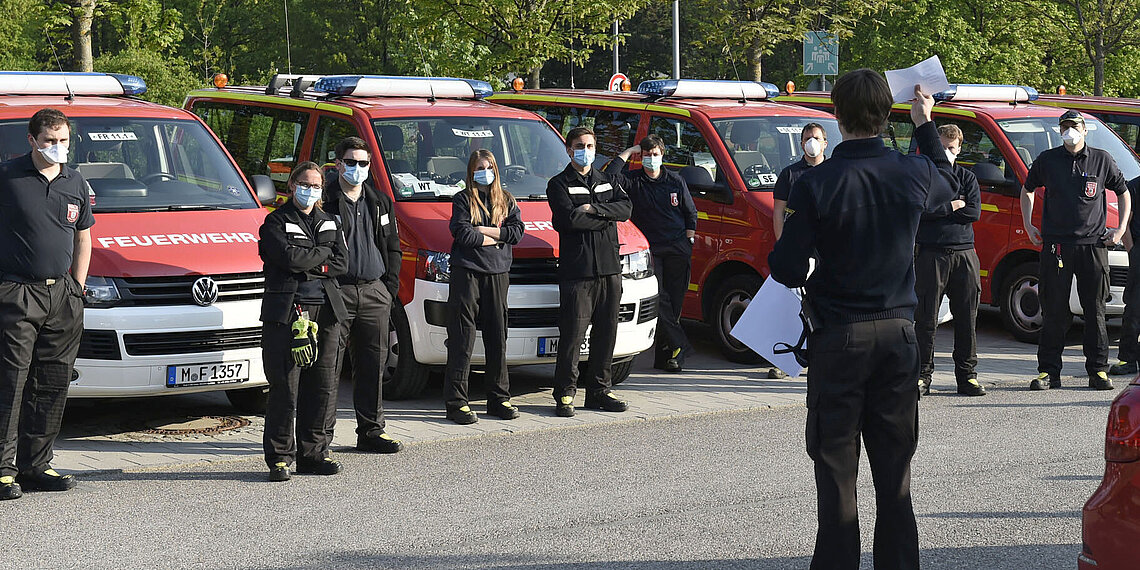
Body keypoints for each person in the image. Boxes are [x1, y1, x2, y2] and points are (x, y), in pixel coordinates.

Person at [768, 72, 960, 569]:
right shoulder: (912, 173)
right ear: (886, 114)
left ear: (836, 116)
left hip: (841, 338)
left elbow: (786, 267)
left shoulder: (816, 182)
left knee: (837, 478)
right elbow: (948, 186)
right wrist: (925, 126)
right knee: (895, 477)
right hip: (899, 335)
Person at [0, 108, 93, 500]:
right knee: (10, 383)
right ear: (32, 140)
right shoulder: (7, 177)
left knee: (52, 383)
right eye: (50, 141)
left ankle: (36, 465)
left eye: (64, 141)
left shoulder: (75, 181)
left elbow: (83, 236)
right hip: (17, 292)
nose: (58, 148)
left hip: (63, 296)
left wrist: (78, 287)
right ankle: (3, 471)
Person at [1021, 110, 1131, 391]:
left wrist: (1119, 230)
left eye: (1074, 126)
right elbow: (1028, 189)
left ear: (1085, 130)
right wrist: (1029, 225)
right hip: (1056, 245)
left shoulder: (1101, 159)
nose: (1070, 131)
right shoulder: (1048, 160)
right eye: (1065, 126)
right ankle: (1049, 372)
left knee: (1094, 309)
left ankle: (1098, 371)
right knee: (1055, 309)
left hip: (1092, 246)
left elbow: (1123, 192)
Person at [259, 162, 348, 482]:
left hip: (326, 310)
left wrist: (312, 263)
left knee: (322, 386)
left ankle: (313, 454)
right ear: (292, 185)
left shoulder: (329, 221)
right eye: (305, 184)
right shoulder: (274, 222)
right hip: (288, 311)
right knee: (285, 387)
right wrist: (321, 256)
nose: (311, 190)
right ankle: (280, 458)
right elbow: (288, 259)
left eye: (317, 186)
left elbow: (342, 262)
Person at [322, 137, 404, 453]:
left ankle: (371, 432)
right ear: (338, 163)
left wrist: (389, 289)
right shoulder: (324, 201)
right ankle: (322, 439)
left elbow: (393, 247)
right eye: (352, 162)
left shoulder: (380, 201)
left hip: (374, 293)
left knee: (373, 365)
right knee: (329, 368)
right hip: (337, 292)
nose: (358, 169)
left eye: (363, 163)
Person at [547, 126, 633, 417]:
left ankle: (599, 391)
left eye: (590, 146)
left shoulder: (607, 179)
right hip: (578, 272)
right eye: (580, 146)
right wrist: (606, 215)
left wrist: (595, 210)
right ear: (569, 150)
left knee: (607, 332)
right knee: (573, 335)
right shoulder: (558, 184)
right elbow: (568, 221)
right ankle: (565, 394)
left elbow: (625, 209)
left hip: (609, 269)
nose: (586, 151)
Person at [444, 150, 525, 424]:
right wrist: (499, 238)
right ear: (471, 171)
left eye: (489, 167)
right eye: (480, 167)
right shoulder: (463, 199)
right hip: (467, 273)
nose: (485, 171)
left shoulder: (507, 200)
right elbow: (463, 233)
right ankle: (457, 403)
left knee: (497, 337)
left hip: (498, 273)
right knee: (462, 338)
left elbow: (517, 233)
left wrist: (487, 232)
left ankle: (499, 398)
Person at [606, 135, 698, 372]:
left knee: (674, 303)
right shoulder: (633, 180)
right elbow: (609, 177)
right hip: (649, 251)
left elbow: (690, 213)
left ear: (662, 155)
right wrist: (629, 151)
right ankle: (681, 344)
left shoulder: (675, 181)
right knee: (659, 300)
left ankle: (669, 357)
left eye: (655, 154)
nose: (651, 159)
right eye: (647, 155)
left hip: (677, 248)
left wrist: (689, 239)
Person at [915, 124, 985, 397]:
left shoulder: (967, 178)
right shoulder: (925, 178)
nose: (947, 153)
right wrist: (950, 206)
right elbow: (921, 212)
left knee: (967, 318)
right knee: (926, 318)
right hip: (932, 253)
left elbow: (973, 212)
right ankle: (922, 376)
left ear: (959, 149)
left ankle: (967, 376)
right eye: (942, 147)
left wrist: (942, 210)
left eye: (952, 148)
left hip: (964, 253)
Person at [773, 123, 828, 240]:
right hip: (799, 242)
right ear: (802, 145)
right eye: (807, 139)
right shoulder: (789, 174)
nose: (812, 142)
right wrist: (781, 244)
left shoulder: (835, 172)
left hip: (827, 244)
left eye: (817, 138)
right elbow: (779, 213)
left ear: (825, 144)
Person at [1110, 176, 1140, 376]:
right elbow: (1125, 224)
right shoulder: (1134, 187)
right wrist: (1133, 253)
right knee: (1135, 309)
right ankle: (1127, 359)